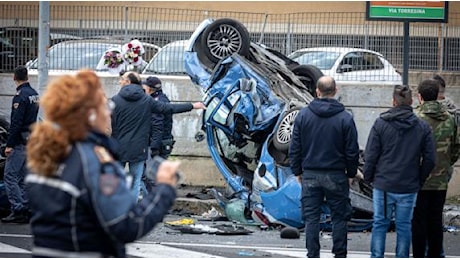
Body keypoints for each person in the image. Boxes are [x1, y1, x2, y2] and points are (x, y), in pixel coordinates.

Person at [25, 70, 181, 257]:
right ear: (90, 114)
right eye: (104, 106)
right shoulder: (93, 160)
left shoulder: (43, 152)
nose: (108, 111)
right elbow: (127, 226)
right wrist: (165, 189)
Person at [289, 76, 359, 258]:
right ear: (335, 91)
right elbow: (352, 151)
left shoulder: (303, 115)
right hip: (336, 175)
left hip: (310, 174)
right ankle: (340, 253)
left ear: (317, 92)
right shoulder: (345, 118)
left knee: (311, 218)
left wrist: (297, 171)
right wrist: (351, 173)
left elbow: (295, 147)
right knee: (339, 217)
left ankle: (313, 254)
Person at [363, 84, 436, 258]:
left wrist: (368, 177)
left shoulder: (380, 123)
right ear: (412, 101)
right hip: (408, 184)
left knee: (380, 223)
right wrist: (419, 179)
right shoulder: (422, 127)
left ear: (393, 102)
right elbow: (430, 159)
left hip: (384, 183)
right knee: (404, 225)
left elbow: (371, 155)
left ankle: (377, 256)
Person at [111, 71, 205, 201]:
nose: (120, 81)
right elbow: (168, 108)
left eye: (122, 79)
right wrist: (192, 105)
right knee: (135, 181)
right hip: (139, 148)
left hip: (119, 147)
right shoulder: (146, 100)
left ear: (128, 82)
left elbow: (105, 123)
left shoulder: (115, 100)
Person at [412, 79, 459, 258]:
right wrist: (446, 164)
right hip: (441, 178)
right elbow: (456, 147)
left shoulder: (415, 118)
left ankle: (418, 255)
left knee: (418, 219)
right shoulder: (449, 118)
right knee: (435, 217)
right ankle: (435, 254)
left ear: (420, 97)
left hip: (418, 177)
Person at [1, 65, 39, 224]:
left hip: (20, 142)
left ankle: (18, 209)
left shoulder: (20, 96)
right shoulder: (34, 94)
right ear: (27, 76)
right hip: (31, 140)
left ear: (14, 77)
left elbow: (16, 123)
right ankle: (27, 208)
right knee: (24, 178)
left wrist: (9, 144)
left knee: (10, 177)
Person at [142, 76, 174, 159]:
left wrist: (154, 147)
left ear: (150, 89)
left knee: (153, 169)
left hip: (159, 143)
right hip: (163, 141)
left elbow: (157, 125)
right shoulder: (162, 98)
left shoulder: (157, 102)